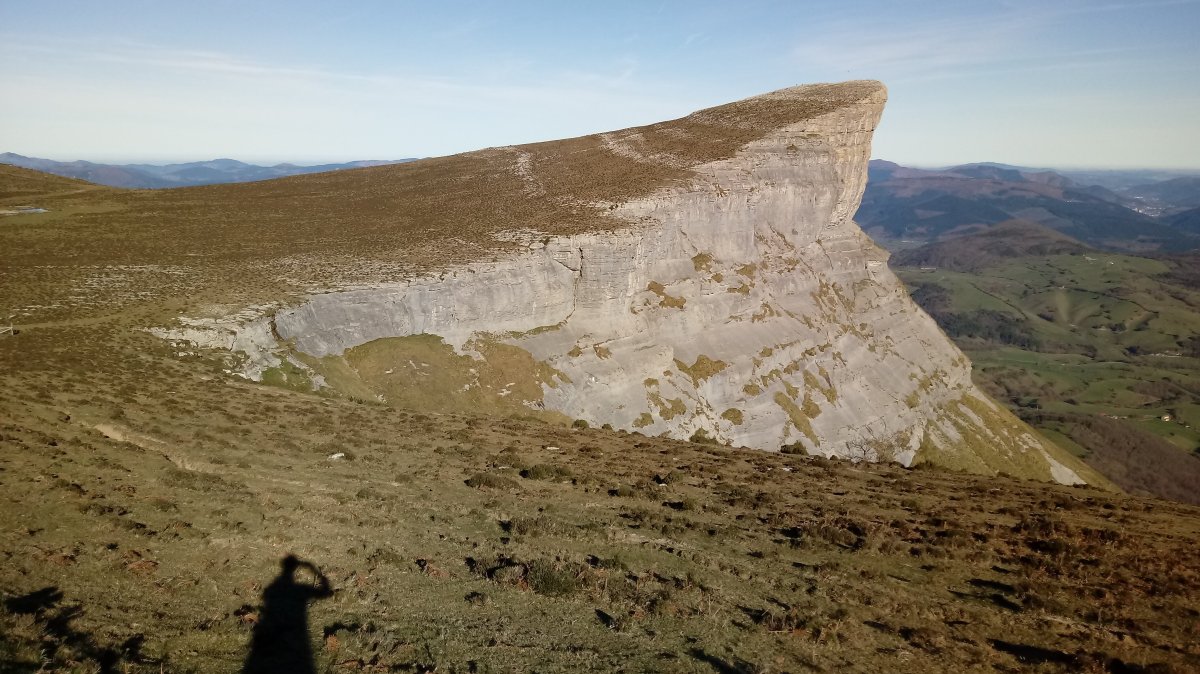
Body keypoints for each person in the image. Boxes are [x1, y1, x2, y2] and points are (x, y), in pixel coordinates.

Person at [242, 555, 333, 674]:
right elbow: (325, 593)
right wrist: (315, 571)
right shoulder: (299, 588)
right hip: (295, 634)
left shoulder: (272, 588)